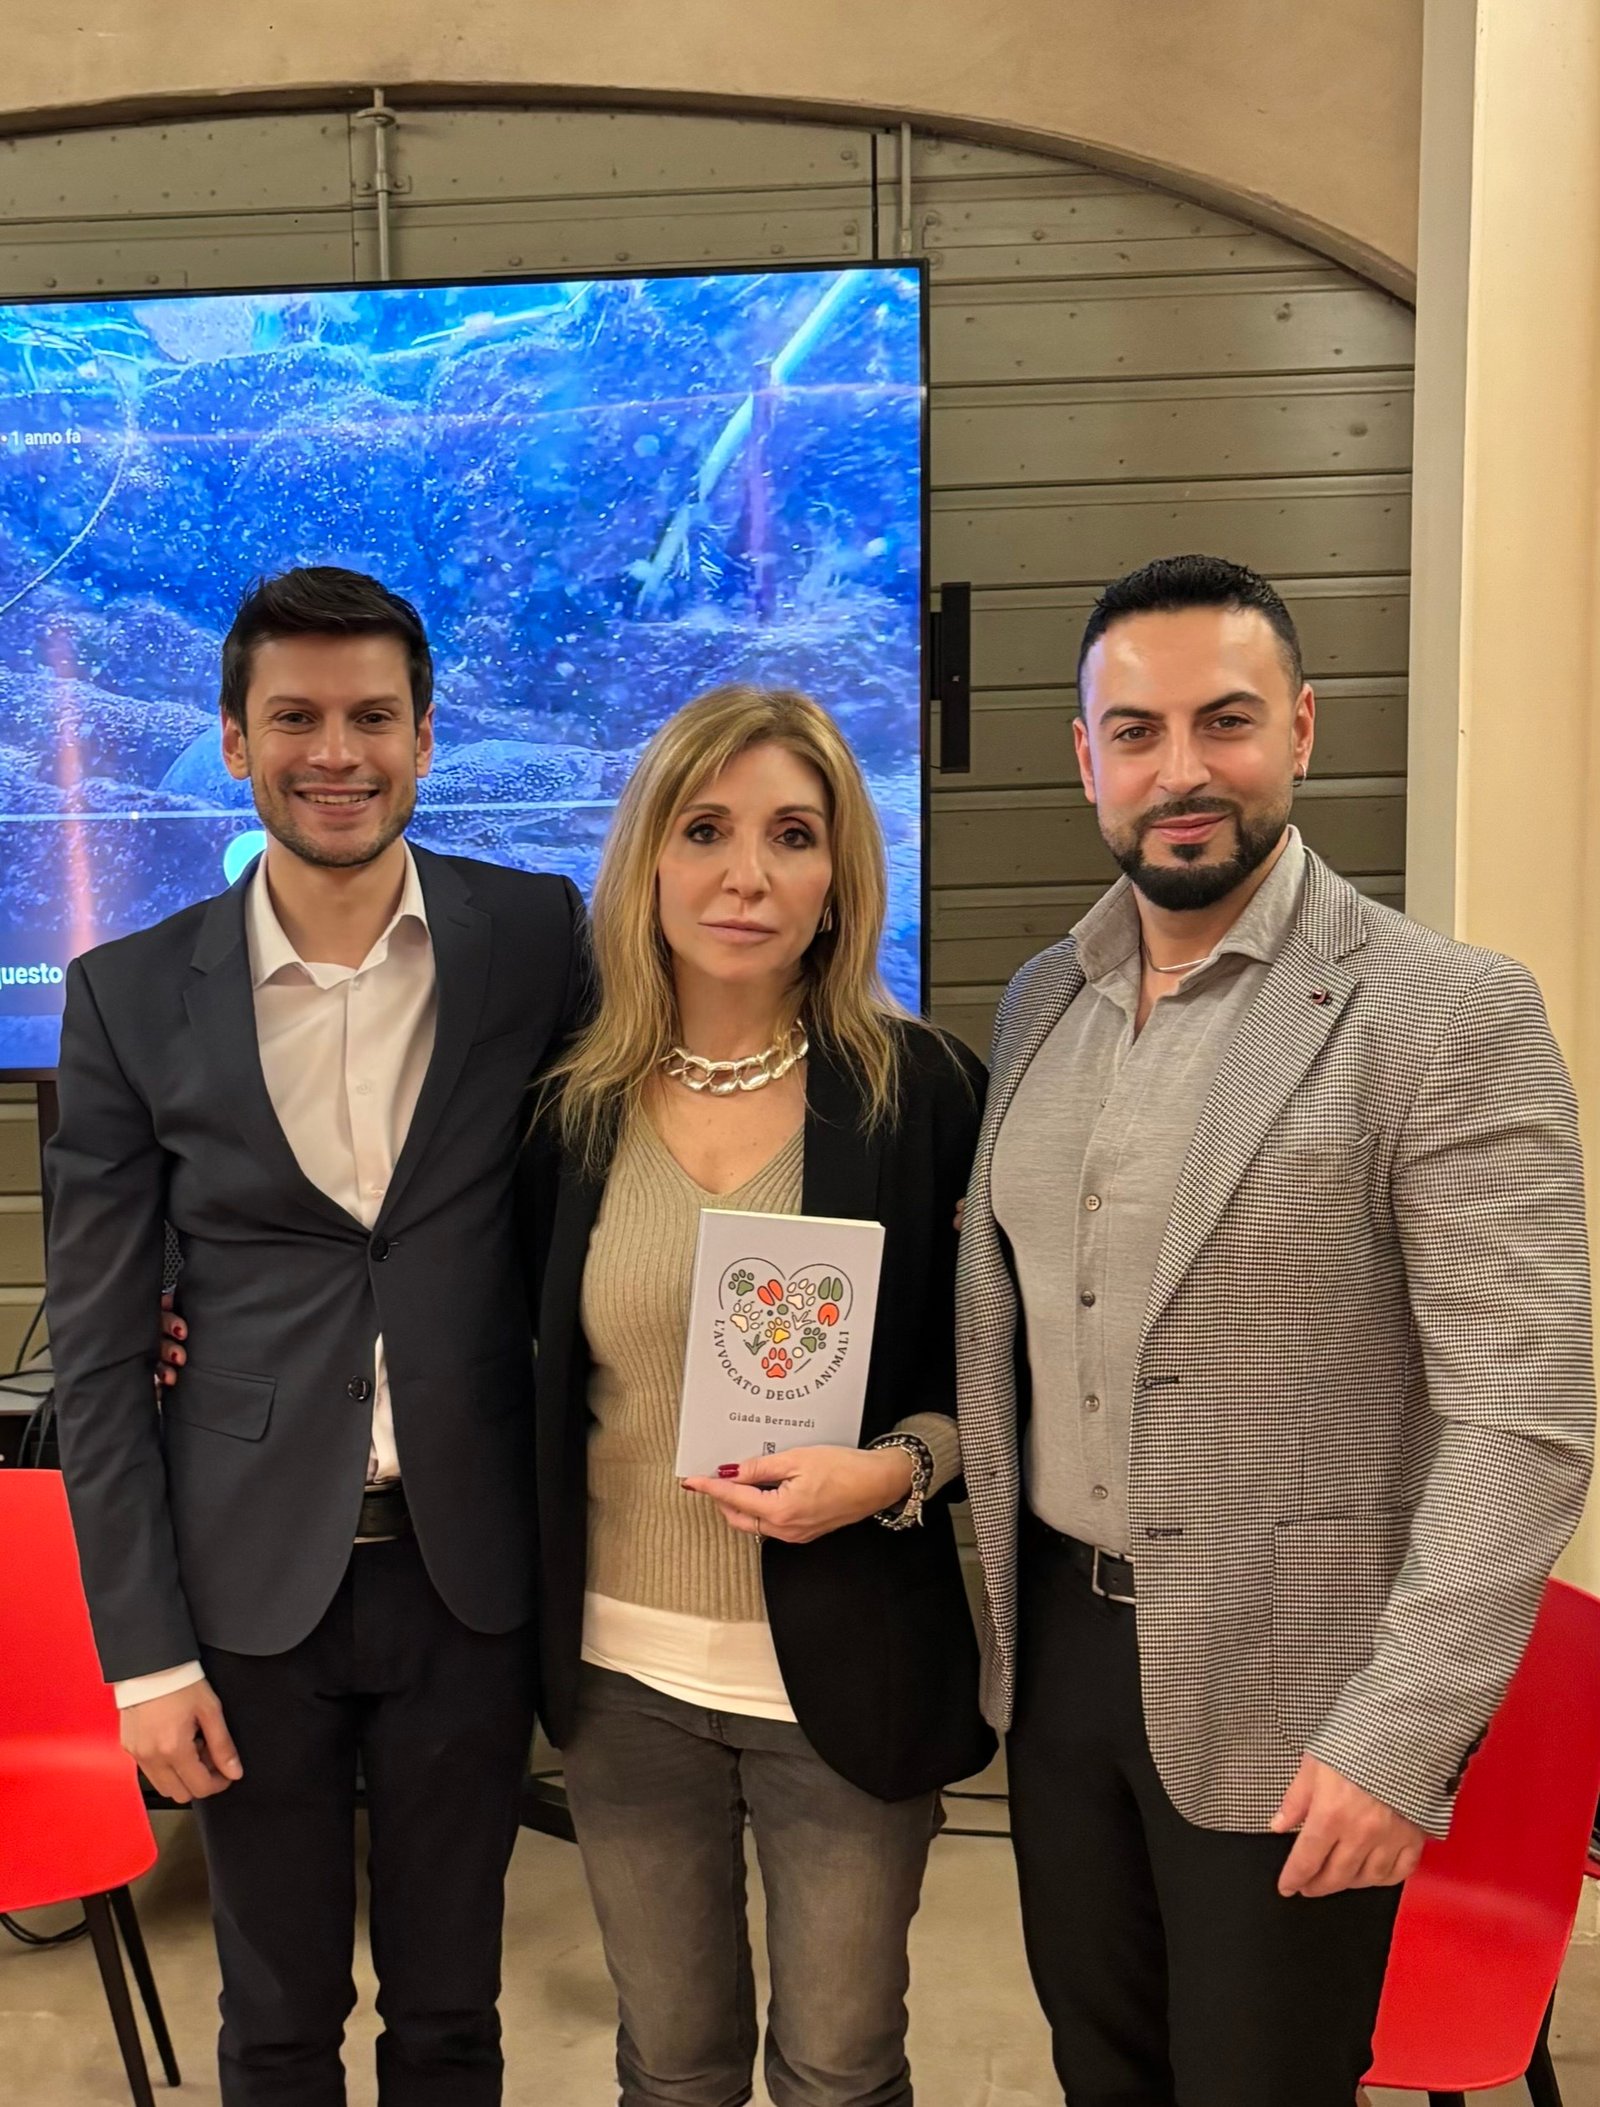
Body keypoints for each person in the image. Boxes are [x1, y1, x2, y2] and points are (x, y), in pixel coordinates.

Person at [954, 553, 1596, 2107]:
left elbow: (1524, 1417)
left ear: (1301, 729)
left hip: (1301, 1690)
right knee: (1104, 2072)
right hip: (1058, 1667)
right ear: (1087, 759)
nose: (1181, 772)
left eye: (1225, 721)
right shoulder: (1043, 1002)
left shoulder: (1445, 1014)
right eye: (1137, 732)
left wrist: (1401, 1733)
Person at [46, 566, 586, 2106]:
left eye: (372, 717)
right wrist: (143, 1661)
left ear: (426, 736)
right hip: (241, 1598)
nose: (335, 753)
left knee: (451, 2014)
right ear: (234, 739)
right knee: (275, 2024)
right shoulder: (127, 995)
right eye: (295, 718)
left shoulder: (535, 940)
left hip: (467, 1576)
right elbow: (99, 1355)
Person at [519, 683, 994, 2107]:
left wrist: (894, 1471)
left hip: (845, 1670)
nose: (747, 875)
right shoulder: (567, 1109)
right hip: (622, 1684)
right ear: (647, 860)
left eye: (794, 835)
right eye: (706, 829)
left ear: (841, 873)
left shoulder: (924, 1094)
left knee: (840, 2070)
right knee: (672, 2070)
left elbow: (1001, 1385)